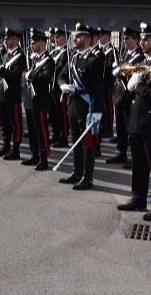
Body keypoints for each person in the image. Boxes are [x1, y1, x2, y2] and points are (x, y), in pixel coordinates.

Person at [117, 23, 151, 221]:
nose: (142, 42)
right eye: (141, 38)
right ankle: (138, 198)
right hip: (137, 120)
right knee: (138, 165)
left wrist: (138, 86)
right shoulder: (142, 62)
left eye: (146, 39)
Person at [57, 23, 104, 190]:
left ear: (88, 39)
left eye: (78, 36)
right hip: (72, 105)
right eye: (74, 36)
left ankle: (87, 177)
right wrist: (63, 85)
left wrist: (97, 111)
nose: (75, 39)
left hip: (87, 106)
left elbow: (99, 88)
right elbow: (61, 75)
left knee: (88, 144)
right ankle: (76, 172)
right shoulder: (73, 57)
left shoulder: (94, 60)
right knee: (75, 141)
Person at [107, 27, 144, 167]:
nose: (125, 40)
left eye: (127, 38)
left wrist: (120, 71)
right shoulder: (124, 54)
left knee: (132, 129)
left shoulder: (139, 56)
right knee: (121, 128)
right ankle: (121, 153)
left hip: (130, 96)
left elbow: (132, 70)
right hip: (119, 95)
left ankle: (135, 156)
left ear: (135, 40)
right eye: (124, 38)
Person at [23, 28, 55, 170]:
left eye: (34, 42)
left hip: (40, 99)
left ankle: (44, 157)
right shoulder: (33, 58)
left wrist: (32, 75)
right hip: (30, 97)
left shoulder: (48, 60)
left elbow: (46, 77)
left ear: (42, 43)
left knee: (41, 129)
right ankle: (34, 154)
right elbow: (25, 72)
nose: (32, 44)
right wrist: (27, 74)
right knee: (31, 128)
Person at [0, 28, 27, 160]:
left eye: (9, 39)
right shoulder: (5, 55)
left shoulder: (20, 56)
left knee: (15, 123)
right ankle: (6, 145)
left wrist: (3, 72)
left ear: (16, 40)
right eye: (6, 39)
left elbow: (16, 75)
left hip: (12, 93)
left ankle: (16, 149)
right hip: (1, 92)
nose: (6, 41)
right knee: (4, 122)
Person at [49, 27, 70, 148]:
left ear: (64, 38)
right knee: (54, 113)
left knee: (61, 114)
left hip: (59, 87)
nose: (55, 39)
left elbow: (61, 68)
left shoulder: (66, 52)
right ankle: (56, 134)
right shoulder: (54, 52)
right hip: (51, 87)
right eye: (55, 37)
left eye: (58, 37)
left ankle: (64, 137)